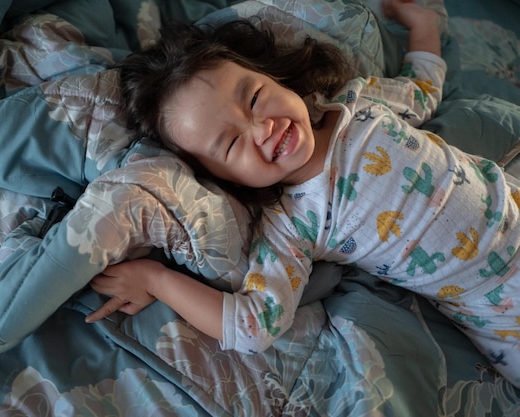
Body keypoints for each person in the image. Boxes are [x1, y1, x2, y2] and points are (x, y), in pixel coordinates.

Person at [86, 0, 520, 388]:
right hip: (500, 307)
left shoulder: (361, 102)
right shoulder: (292, 223)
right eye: (233, 144)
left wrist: (421, 23)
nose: (262, 128)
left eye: (255, 97)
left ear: (273, 77)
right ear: (223, 179)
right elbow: (252, 326)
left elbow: (423, 88)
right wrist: (158, 280)